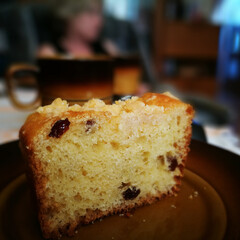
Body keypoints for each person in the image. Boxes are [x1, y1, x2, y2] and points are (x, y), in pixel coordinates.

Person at [37, 0, 119, 57]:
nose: (99, 21)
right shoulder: (49, 53)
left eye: (99, 14)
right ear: (69, 14)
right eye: (90, 13)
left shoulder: (108, 49)